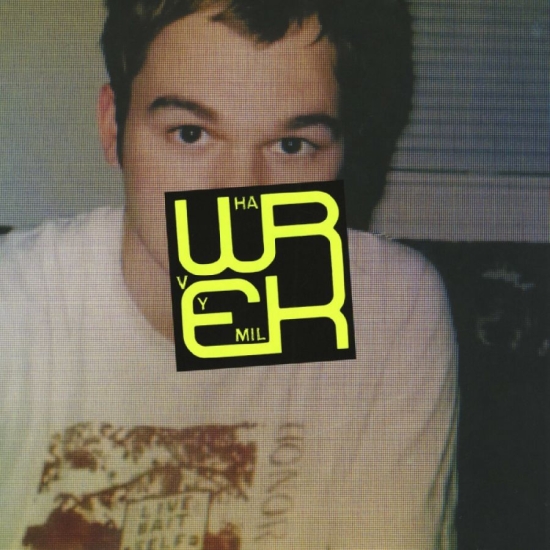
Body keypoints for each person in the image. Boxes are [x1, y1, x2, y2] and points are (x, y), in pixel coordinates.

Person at [0, 0, 458, 548]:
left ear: (340, 158)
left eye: (292, 146)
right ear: (112, 127)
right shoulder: (16, 304)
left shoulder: (389, 307)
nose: (238, 194)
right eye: (191, 134)